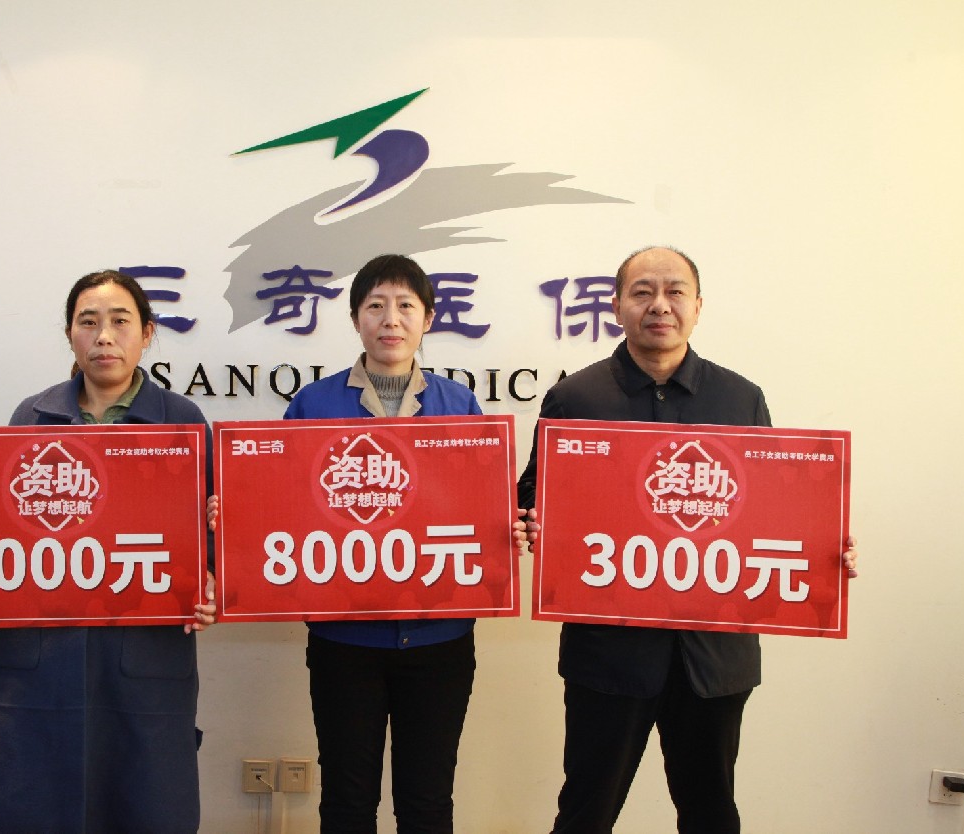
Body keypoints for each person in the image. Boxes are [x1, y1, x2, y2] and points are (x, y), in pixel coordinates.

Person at [516, 246, 858, 834]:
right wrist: (529, 521)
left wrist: (823, 548)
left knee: (710, 813)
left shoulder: (741, 399)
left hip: (713, 657)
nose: (659, 305)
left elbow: (771, 510)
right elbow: (532, 494)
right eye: (642, 291)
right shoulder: (577, 399)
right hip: (609, 654)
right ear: (617, 306)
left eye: (675, 291)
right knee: (585, 812)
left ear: (698, 306)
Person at [0, 269, 217, 834]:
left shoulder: (183, 422)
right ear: (70, 334)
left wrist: (212, 578)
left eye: (120, 321)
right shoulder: (32, 418)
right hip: (42, 658)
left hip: (144, 655)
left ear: (147, 333)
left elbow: (206, 545)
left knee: (145, 805)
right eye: (88, 322)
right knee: (33, 805)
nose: (104, 336)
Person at [280, 254, 526, 834]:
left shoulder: (460, 406)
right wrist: (238, 512)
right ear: (356, 319)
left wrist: (505, 527)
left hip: (440, 640)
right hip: (344, 640)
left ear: (428, 319)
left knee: (428, 802)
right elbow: (281, 504)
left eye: (406, 306)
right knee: (347, 802)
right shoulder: (313, 405)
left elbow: (480, 506)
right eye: (376, 306)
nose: (391, 319)